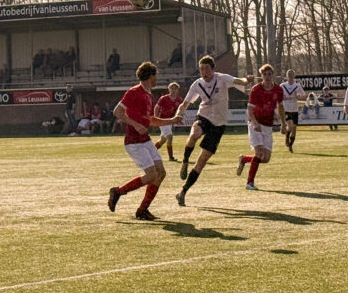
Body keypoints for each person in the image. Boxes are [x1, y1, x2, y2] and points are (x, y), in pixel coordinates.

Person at [173, 55, 253, 207]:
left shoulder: (222, 78)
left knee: (202, 161)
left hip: (219, 124)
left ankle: (183, 192)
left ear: (213, 69)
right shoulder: (197, 84)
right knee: (195, 134)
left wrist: (246, 80)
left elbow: (238, 81)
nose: (204, 72)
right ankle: (185, 161)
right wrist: (178, 114)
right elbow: (185, 103)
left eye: (207, 69)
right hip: (204, 116)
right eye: (201, 69)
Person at [107, 62, 179, 220]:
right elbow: (117, 112)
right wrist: (135, 124)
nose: (156, 79)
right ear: (151, 76)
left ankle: (142, 210)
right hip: (133, 142)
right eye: (155, 75)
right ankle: (118, 191)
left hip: (145, 140)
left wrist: (172, 120)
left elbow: (151, 120)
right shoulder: (134, 92)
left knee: (161, 173)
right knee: (152, 175)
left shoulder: (149, 95)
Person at [237, 64, 286, 190]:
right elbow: (250, 109)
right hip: (255, 123)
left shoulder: (278, 90)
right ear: (261, 76)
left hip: (267, 125)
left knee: (265, 158)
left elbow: (280, 107)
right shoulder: (256, 89)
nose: (267, 77)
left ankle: (244, 159)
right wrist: (254, 123)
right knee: (259, 153)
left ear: (273, 75)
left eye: (269, 74)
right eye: (265, 74)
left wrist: (283, 123)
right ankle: (250, 183)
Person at [153, 82, 183, 162]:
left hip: (170, 121)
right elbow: (157, 107)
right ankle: (171, 157)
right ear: (169, 89)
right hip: (162, 120)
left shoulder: (179, 100)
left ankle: (151, 153)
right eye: (172, 88)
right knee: (169, 136)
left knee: (163, 140)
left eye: (175, 88)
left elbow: (179, 110)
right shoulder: (164, 98)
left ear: (178, 90)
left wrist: (178, 118)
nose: (173, 90)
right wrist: (155, 117)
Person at [279, 69, 306, 152]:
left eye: (292, 76)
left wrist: (299, 96)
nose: (290, 77)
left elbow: (304, 95)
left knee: (294, 129)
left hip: (294, 109)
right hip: (286, 109)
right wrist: (281, 97)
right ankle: (287, 139)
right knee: (290, 125)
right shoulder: (283, 85)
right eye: (289, 76)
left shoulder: (297, 85)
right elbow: (277, 95)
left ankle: (290, 145)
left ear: (294, 76)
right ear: (287, 76)